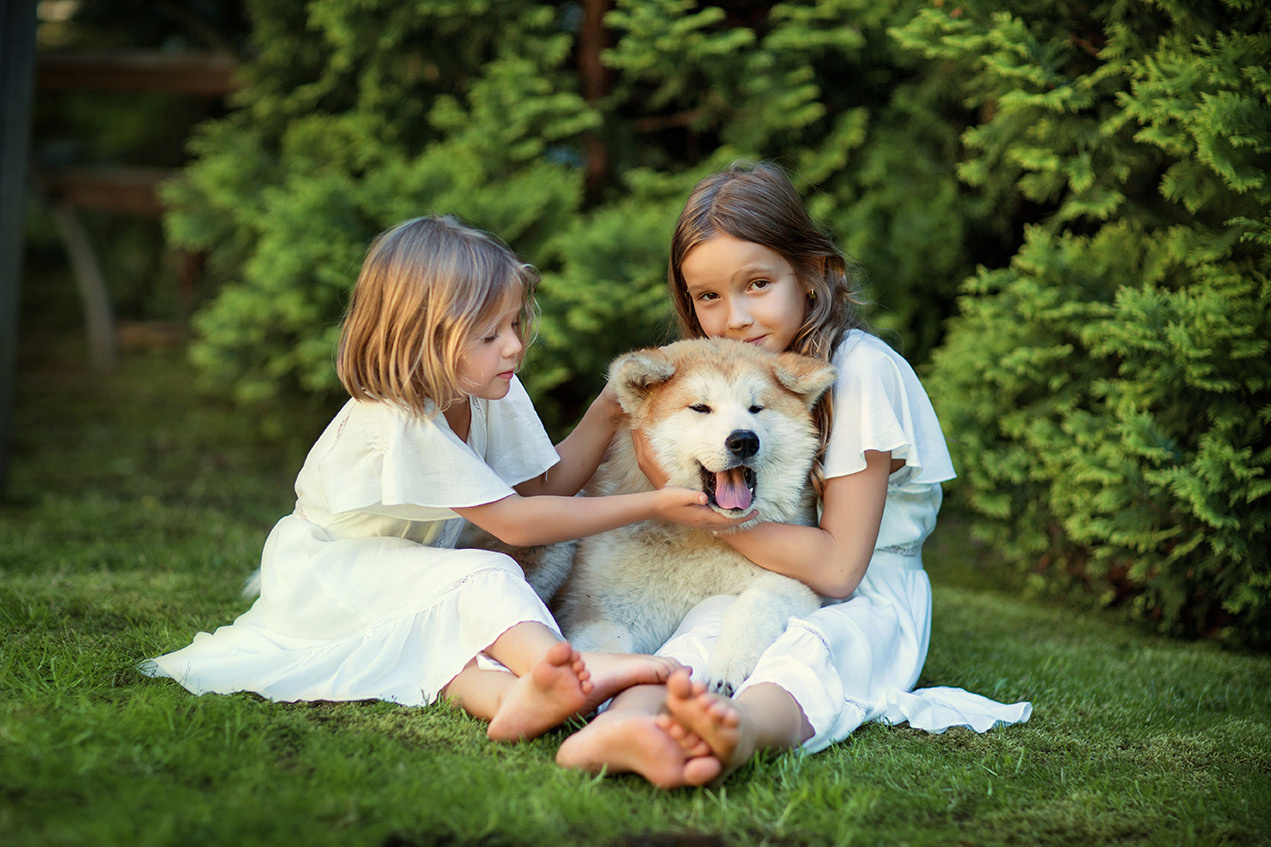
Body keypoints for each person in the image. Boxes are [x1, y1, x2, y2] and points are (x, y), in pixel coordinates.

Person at [141, 216, 752, 743]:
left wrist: (605, 409)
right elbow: (515, 520)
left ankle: (516, 700)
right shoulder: (399, 417)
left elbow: (545, 489)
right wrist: (655, 503)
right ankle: (572, 675)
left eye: (514, 323)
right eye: (490, 335)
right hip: (333, 579)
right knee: (488, 572)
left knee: (455, 647)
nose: (514, 346)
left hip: (410, 576)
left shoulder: (490, 388)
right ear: (422, 341)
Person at [555, 162, 1031, 786]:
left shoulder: (861, 370)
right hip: (768, 571)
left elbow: (838, 571)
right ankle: (630, 723)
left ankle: (739, 730)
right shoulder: (731, 372)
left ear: (814, 275)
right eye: (708, 297)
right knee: (708, 630)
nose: (734, 318)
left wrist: (693, 507)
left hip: (866, 596)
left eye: (757, 284)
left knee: (812, 650)